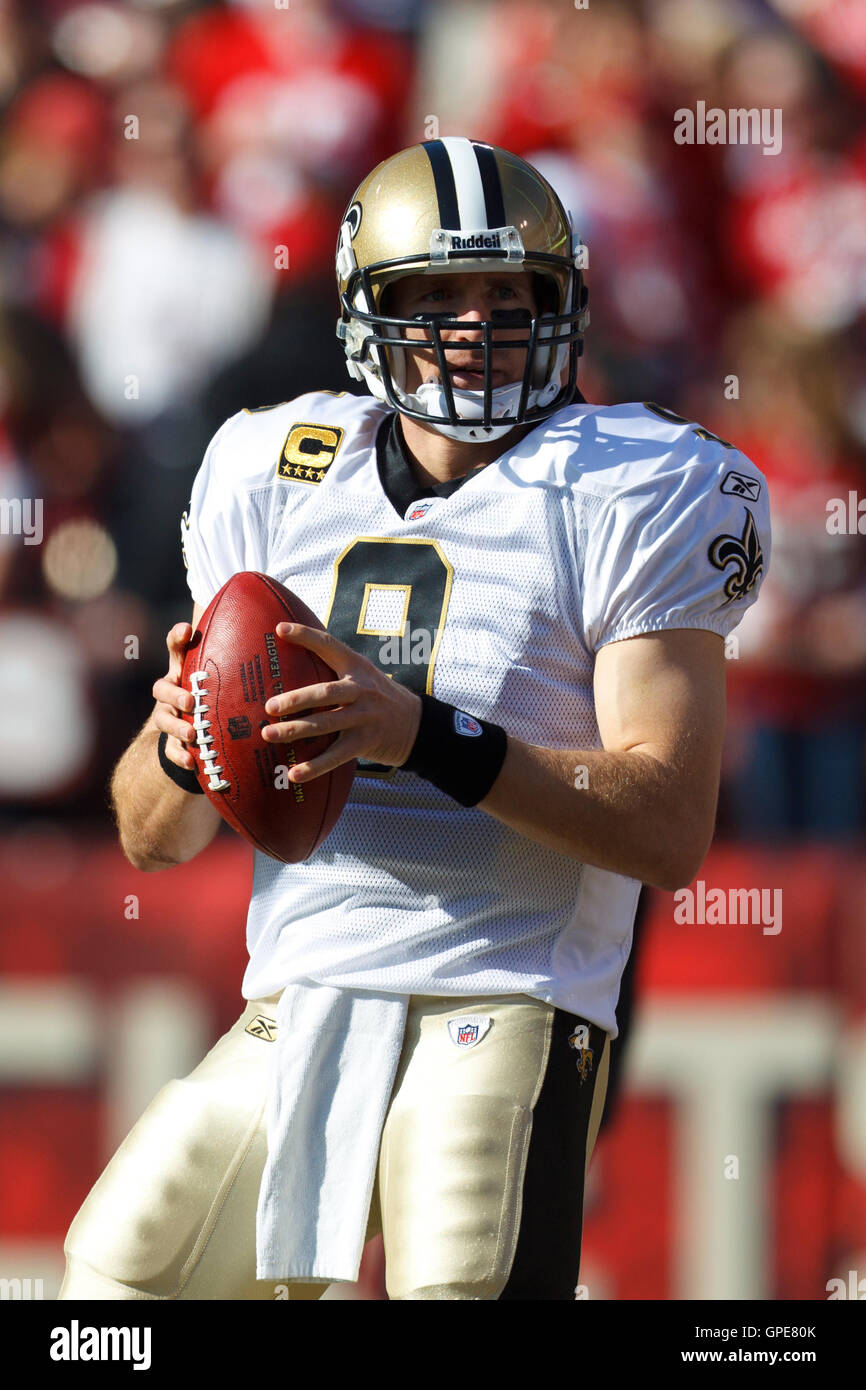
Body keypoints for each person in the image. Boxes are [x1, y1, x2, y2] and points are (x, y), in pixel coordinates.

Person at [59, 137, 769, 1301]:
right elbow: (152, 833)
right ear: (363, 314)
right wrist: (187, 746)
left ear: (564, 306)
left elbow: (666, 826)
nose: (476, 326)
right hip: (300, 997)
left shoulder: (633, 485)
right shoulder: (270, 466)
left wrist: (420, 735)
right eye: (435, 297)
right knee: (110, 1296)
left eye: (509, 295)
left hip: (504, 992)